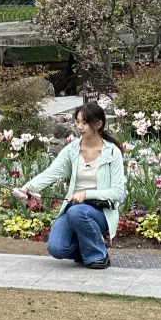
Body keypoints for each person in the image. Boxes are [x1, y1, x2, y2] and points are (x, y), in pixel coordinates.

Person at [16, 102, 125, 269]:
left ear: (98, 124)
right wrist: (27, 188)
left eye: (85, 123)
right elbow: (52, 172)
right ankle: (88, 249)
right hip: (74, 207)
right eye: (77, 122)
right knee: (57, 249)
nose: (79, 127)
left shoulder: (112, 152)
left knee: (77, 211)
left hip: (102, 211)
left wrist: (86, 195)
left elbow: (117, 192)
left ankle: (99, 255)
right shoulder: (72, 149)